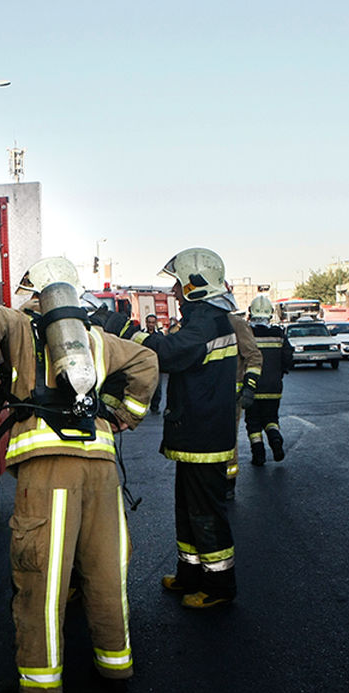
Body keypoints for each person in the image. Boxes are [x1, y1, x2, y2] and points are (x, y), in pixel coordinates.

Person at [0, 257, 157, 693]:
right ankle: (116, 665)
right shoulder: (94, 338)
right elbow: (148, 361)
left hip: (48, 468)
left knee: (43, 580)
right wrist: (123, 413)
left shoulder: (19, 322)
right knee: (106, 573)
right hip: (102, 469)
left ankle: (41, 686)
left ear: (33, 291)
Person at [110, 248, 242, 609]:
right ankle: (190, 575)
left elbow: (164, 354)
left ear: (195, 285)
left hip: (203, 437)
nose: (175, 291)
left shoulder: (207, 323)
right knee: (187, 509)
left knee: (205, 512)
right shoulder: (209, 319)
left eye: (178, 284)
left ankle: (219, 586)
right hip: (198, 434)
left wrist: (125, 330)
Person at [223, 283, 263, 498]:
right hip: (206, 394)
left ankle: (229, 482)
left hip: (231, 395)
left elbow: (254, 356)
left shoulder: (236, 323)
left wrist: (249, 386)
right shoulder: (199, 323)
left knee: (228, 438)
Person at [245, 296, 293, 466]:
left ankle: (258, 455)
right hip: (274, 387)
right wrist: (281, 372)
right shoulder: (278, 334)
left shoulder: (247, 334)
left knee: (253, 423)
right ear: (270, 314)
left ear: (251, 313)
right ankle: (276, 439)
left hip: (251, 388)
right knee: (271, 418)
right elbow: (288, 357)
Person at [144, 314, 165, 413]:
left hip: (157, 364)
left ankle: (155, 407)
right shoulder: (141, 335)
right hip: (145, 364)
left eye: (153, 322)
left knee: (157, 387)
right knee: (144, 386)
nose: (151, 324)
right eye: (149, 322)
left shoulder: (160, 335)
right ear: (146, 323)